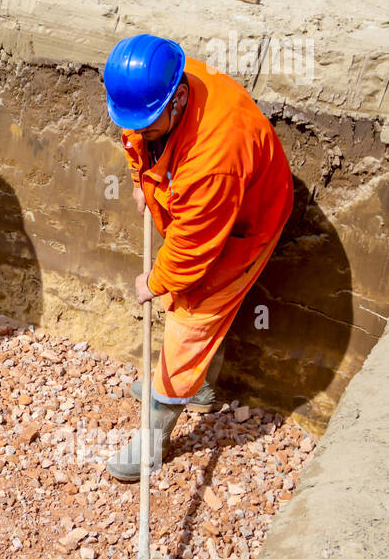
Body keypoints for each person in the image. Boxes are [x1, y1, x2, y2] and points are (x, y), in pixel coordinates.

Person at [102, 34, 293, 482]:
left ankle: (152, 440)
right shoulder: (150, 93)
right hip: (206, 211)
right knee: (189, 308)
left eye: (148, 126)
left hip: (244, 226)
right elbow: (135, 135)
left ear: (180, 99)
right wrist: (139, 179)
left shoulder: (213, 158)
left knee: (192, 317)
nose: (136, 131)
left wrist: (153, 282)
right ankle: (201, 388)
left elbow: (190, 253)